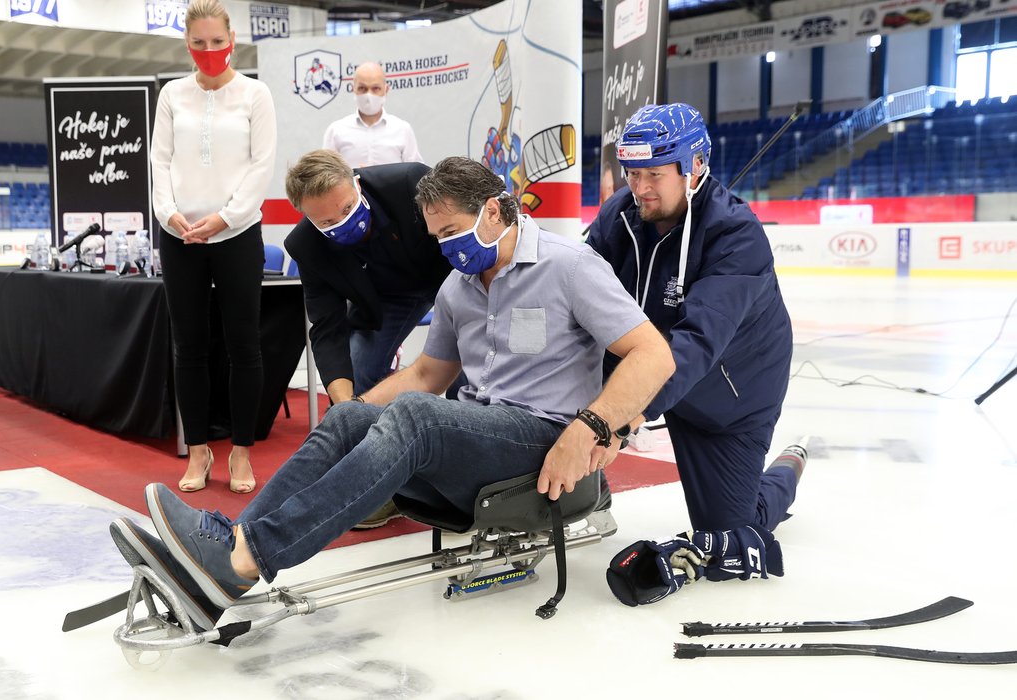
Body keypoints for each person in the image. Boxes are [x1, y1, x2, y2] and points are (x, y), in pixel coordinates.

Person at [116, 156, 675, 622]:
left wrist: (595, 426)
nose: (448, 248)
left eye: (454, 231)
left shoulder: (569, 266)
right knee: (347, 418)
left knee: (416, 417)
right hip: (484, 437)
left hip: (547, 440)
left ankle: (245, 559)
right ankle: (229, 547)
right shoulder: (458, 288)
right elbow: (429, 375)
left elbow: (654, 355)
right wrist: (354, 409)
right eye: (438, 238)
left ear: (497, 210)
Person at [589, 103, 808, 606]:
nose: (639, 187)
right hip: (652, 374)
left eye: (654, 175)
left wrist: (618, 422)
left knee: (732, 530)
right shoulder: (619, 216)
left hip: (730, 397)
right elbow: (579, 295)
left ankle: (786, 471)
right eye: (632, 173)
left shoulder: (738, 236)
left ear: (695, 167)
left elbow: (697, 344)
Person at [282, 149, 451, 528]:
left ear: (357, 183)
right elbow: (326, 326)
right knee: (354, 378)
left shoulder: (412, 182)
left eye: (347, 208)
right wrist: (346, 409)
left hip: (449, 275)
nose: (343, 222)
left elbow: (459, 234)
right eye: (327, 221)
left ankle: (458, 482)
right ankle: (375, 485)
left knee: (470, 372)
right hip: (386, 301)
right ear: (308, 218)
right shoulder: (306, 245)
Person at [150, 0, 276, 494]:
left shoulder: (255, 95)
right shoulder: (172, 96)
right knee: (189, 347)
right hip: (180, 235)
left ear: (232, 41)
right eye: (198, 43)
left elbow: (261, 165)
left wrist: (224, 217)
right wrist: (169, 213)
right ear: (188, 44)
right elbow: (160, 162)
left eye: (217, 42)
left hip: (238, 233)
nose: (209, 51)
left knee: (244, 346)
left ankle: (241, 452)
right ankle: (199, 449)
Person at [322, 61, 423, 168]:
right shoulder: (336, 131)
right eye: (362, 88)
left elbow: (416, 175)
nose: (369, 95)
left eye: (376, 88)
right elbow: (325, 174)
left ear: (386, 90)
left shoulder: (403, 130)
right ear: (353, 89)